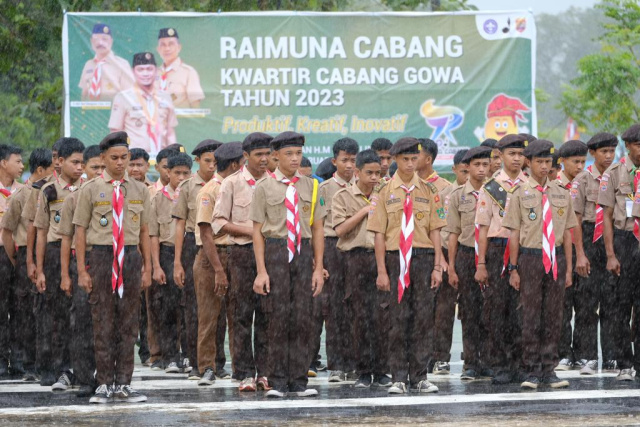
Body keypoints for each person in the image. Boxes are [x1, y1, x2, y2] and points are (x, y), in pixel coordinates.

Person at [73, 131, 152, 403]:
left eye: (125, 158)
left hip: (130, 257)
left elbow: (144, 232)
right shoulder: (91, 189)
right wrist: (83, 271)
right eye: (114, 158)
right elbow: (80, 231)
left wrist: (147, 268)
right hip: (102, 257)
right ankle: (104, 383)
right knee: (103, 322)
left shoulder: (141, 190)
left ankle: (124, 383)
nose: (120, 163)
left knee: (128, 323)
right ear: (103, 158)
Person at [368, 137, 446, 395]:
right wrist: (381, 270)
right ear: (394, 160)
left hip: (422, 257)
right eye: (405, 159)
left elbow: (435, 230)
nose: (411, 164)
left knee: (423, 318)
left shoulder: (429, 191)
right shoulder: (383, 190)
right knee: (397, 319)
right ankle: (398, 376)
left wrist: (437, 265)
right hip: (394, 258)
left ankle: (420, 376)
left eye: (414, 159)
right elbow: (379, 233)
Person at [251, 131, 326, 398]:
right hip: (276, 251)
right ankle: (278, 381)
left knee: (302, 319)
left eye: (298, 153)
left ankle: (299, 381)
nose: (295, 159)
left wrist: (318, 267)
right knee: (277, 318)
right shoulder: (264, 187)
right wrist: (261, 271)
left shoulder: (313, 186)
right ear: (275, 156)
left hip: (303, 253)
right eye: (289, 154)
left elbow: (317, 229)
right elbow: (257, 232)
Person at [503, 139, 577, 389]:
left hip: (556, 258)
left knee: (553, 315)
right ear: (529, 162)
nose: (545, 166)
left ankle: (549, 369)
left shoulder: (561, 192)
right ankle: (531, 369)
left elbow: (567, 232)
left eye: (548, 162)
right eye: (540, 161)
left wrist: (568, 268)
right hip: (530, 258)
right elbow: (514, 233)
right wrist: (513, 268)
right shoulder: (519, 194)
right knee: (531, 315)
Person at [212, 132, 273, 392]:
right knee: (241, 315)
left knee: (269, 315)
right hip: (242, 255)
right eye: (258, 155)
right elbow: (218, 223)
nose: (264, 159)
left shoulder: (277, 183)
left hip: (272, 255)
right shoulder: (231, 184)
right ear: (245, 157)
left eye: (267, 154)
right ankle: (244, 373)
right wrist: (252, 231)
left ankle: (266, 372)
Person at [331, 149, 390, 388]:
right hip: (354, 259)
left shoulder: (386, 194)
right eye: (369, 173)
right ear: (357, 172)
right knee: (358, 316)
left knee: (383, 316)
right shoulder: (343, 196)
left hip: (382, 259)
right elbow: (340, 230)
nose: (375, 178)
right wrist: (365, 211)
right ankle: (363, 371)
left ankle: (382, 370)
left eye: (377, 173)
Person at [474, 133, 528, 385]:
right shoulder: (491, 188)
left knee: (522, 310)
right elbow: (482, 228)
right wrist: (481, 263)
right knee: (497, 310)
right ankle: (501, 364)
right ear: (501, 156)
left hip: (527, 251)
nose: (516, 159)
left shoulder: (531, 186)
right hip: (497, 250)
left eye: (520, 154)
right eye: (511, 154)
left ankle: (521, 362)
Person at [33, 138, 85, 392]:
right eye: (74, 162)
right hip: (55, 255)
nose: (79, 168)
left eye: (82, 163)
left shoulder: (89, 189)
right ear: (60, 162)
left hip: (84, 255)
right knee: (58, 315)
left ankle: (84, 369)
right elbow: (42, 232)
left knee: (83, 314)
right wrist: (40, 268)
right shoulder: (49, 191)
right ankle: (61, 368)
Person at [193, 142, 244, 386]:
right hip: (212, 257)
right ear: (234, 165)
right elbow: (206, 235)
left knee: (237, 315)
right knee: (209, 316)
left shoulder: (241, 188)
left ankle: (239, 367)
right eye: (243, 164)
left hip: (237, 254)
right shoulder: (210, 191)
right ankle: (207, 367)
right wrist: (218, 270)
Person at [172, 139, 222, 381]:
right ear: (197, 161)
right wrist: (178, 261)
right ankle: (196, 361)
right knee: (195, 308)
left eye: (215, 161)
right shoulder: (188, 187)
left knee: (220, 307)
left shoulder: (225, 184)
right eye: (207, 161)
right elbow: (180, 223)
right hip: (195, 243)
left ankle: (218, 362)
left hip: (221, 243)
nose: (212, 165)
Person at [58, 145, 105, 397]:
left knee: (108, 324)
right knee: (82, 323)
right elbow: (66, 238)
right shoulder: (74, 198)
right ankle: (85, 377)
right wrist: (66, 274)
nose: (99, 172)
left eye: (102, 167)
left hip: (110, 267)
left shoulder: (117, 193)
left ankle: (107, 376)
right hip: (83, 269)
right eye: (94, 167)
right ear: (83, 169)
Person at [2, 148, 52, 381]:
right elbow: (8, 232)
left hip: (39, 255)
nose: (21, 166)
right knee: (17, 309)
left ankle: (35, 359)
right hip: (20, 256)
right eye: (17, 161)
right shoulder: (23, 195)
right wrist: (17, 259)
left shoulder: (44, 192)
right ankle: (15, 359)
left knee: (37, 309)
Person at [572, 133, 618, 374]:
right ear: (592, 153)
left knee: (612, 301)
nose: (609, 156)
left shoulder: (619, 176)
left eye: (612, 151)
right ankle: (586, 356)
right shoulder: (582, 180)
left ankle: (610, 356)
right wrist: (580, 253)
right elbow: (576, 220)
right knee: (586, 301)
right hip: (589, 237)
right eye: (604, 152)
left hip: (612, 241)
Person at [445, 146, 492, 381]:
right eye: (477, 165)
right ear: (467, 168)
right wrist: (451, 267)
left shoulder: (497, 192)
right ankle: (472, 362)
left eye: (486, 165)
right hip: (465, 255)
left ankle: (491, 360)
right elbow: (452, 233)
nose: (482, 169)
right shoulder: (457, 195)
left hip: (491, 255)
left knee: (492, 310)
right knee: (469, 311)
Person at [597, 124, 640, 381]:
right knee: (621, 305)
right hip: (624, 240)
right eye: (637, 145)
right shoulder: (613, 173)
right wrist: (611, 254)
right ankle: (625, 362)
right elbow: (607, 216)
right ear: (627, 146)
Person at [319, 138, 359, 383]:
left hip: (356, 249)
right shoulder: (324, 190)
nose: (349, 165)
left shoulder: (365, 186)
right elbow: (320, 227)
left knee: (357, 306)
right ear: (334, 161)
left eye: (353, 160)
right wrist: (320, 262)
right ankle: (336, 364)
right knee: (334, 308)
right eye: (344, 160)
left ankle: (355, 362)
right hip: (333, 248)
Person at [148, 151, 192, 374]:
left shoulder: (194, 195)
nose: (181, 177)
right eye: (177, 173)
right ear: (168, 173)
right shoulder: (157, 199)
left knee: (189, 307)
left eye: (186, 173)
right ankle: (170, 356)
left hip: (189, 253)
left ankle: (188, 354)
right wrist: (156, 265)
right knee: (167, 307)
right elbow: (153, 235)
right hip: (166, 253)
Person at [415, 138, 454, 375]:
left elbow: (446, 226)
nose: (410, 160)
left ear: (428, 159)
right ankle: (420, 355)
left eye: (415, 155)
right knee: (418, 308)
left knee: (443, 309)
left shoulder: (444, 188)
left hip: (439, 251)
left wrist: (442, 258)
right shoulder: (400, 185)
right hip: (414, 252)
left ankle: (441, 356)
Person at [554, 140, 589, 373]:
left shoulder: (588, 182)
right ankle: (564, 352)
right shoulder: (554, 185)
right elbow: (568, 224)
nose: (579, 166)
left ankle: (584, 352)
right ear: (562, 162)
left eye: (583, 162)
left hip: (585, 245)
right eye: (575, 162)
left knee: (585, 302)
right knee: (563, 304)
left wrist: (582, 254)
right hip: (561, 247)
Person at [108, 52, 178, 156]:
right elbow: (115, 133)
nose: (145, 74)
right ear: (133, 72)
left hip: (162, 159)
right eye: (140, 69)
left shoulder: (165, 98)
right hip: (135, 160)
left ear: (156, 71)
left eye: (149, 69)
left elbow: (170, 133)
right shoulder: (123, 98)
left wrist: (175, 157)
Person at [0, 145, 25, 377]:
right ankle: (1, 359)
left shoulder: (23, 191)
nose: (22, 166)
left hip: (17, 254)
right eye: (17, 161)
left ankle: (18, 360)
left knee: (19, 308)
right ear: (3, 163)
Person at [79, 23, 134, 101]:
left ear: (111, 41)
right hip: (90, 110)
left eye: (104, 39)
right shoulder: (88, 65)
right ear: (91, 41)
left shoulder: (122, 64)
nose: (100, 43)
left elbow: (129, 95)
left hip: (113, 111)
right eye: (96, 39)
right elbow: (84, 93)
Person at [155, 28, 205, 108]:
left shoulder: (189, 72)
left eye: (171, 44)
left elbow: (196, 107)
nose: (167, 49)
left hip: (180, 119)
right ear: (158, 49)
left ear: (179, 47)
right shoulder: (154, 73)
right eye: (163, 45)